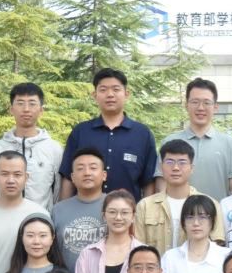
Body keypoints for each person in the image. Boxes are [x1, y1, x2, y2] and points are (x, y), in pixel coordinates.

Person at [58, 68, 158, 200]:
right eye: (103, 90)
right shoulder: (81, 132)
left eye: (116, 89)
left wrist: (145, 211)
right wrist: (63, 209)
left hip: (128, 211)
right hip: (84, 211)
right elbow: (68, 177)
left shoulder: (142, 134)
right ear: (95, 95)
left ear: (126, 94)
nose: (110, 94)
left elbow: (148, 182)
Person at [135, 139, 223, 256]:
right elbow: (138, 249)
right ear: (161, 167)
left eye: (182, 162)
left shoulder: (211, 204)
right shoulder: (145, 206)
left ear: (192, 168)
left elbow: (217, 249)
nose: (175, 168)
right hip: (156, 267)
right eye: (169, 162)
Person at [0, 82, 63, 211]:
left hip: (41, 219)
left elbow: (58, 190)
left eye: (32, 103)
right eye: (20, 103)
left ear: (41, 110)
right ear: (11, 109)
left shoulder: (54, 149)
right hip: (4, 216)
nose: (26, 109)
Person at [160, 77, 232, 201]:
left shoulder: (229, 144)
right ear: (186, 105)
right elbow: (161, 184)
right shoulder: (169, 142)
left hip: (217, 212)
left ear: (215, 107)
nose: (200, 108)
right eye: (195, 102)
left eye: (207, 103)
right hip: (177, 212)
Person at [74, 190, 142, 273]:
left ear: (133, 217)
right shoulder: (88, 254)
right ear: (104, 216)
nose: (118, 217)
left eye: (124, 212)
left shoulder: (143, 253)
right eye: (112, 212)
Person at [161, 195, 228, 273]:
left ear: (212, 221)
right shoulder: (170, 258)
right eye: (190, 217)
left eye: (202, 217)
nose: (196, 223)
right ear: (183, 223)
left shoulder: (225, 257)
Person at [52, 148, 108, 272]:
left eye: (93, 168)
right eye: (80, 168)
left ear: (104, 175)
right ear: (72, 177)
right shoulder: (58, 210)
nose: (87, 173)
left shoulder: (115, 206)